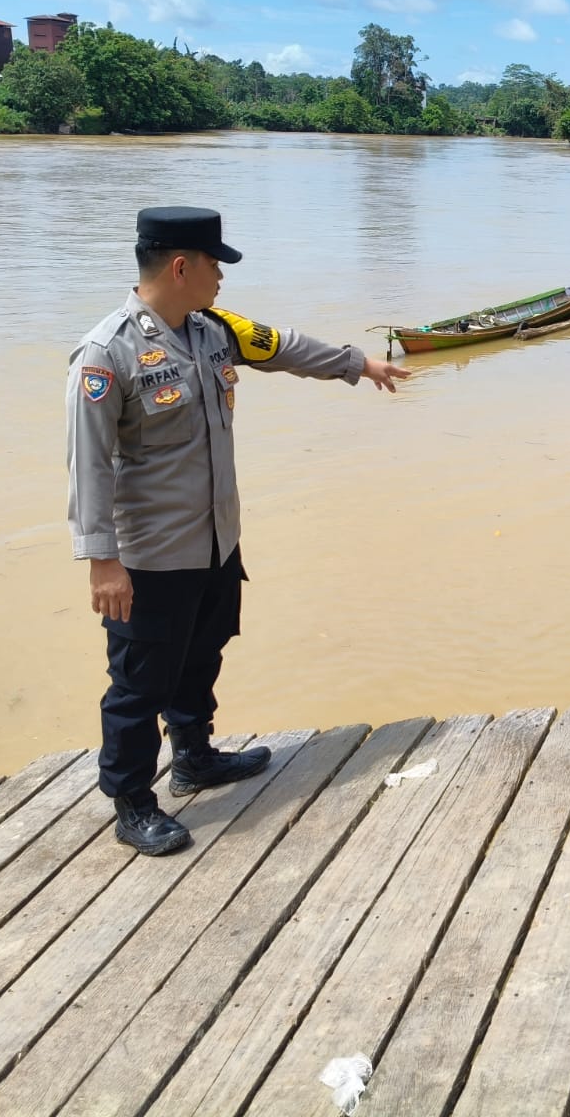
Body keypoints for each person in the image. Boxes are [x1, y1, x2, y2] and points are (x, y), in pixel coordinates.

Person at [67, 205, 409, 855]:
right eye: (215, 264)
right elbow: (86, 464)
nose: (222, 277)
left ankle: (193, 756)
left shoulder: (215, 331)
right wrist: (101, 561)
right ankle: (133, 803)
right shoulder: (107, 354)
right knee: (139, 683)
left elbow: (284, 346)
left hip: (216, 542)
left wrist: (358, 364)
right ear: (181, 267)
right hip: (151, 557)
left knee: (202, 652)